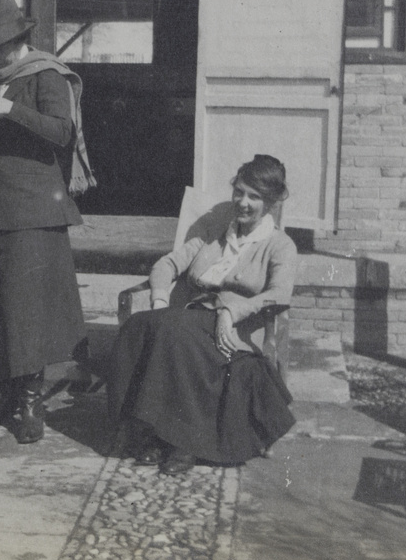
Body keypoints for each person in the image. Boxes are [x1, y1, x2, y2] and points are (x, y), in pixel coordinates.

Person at [0, 0, 86, 444]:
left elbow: (62, 132)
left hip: (30, 206)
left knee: (26, 306)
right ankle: (12, 390)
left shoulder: (46, 74)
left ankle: (30, 398)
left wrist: (10, 110)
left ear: (19, 40)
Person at [108, 154, 298, 475]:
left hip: (233, 333)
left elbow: (280, 293)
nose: (243, 202)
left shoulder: (279, 245)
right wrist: (158, 300)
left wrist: (231, 311)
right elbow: (168, 264)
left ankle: (185, 443)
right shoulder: (216, 225)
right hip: (188, 316)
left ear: (270, 202)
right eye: (239, 192)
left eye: (254, 197)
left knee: (176, 334)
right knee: (141, 326)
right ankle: (148, 431)